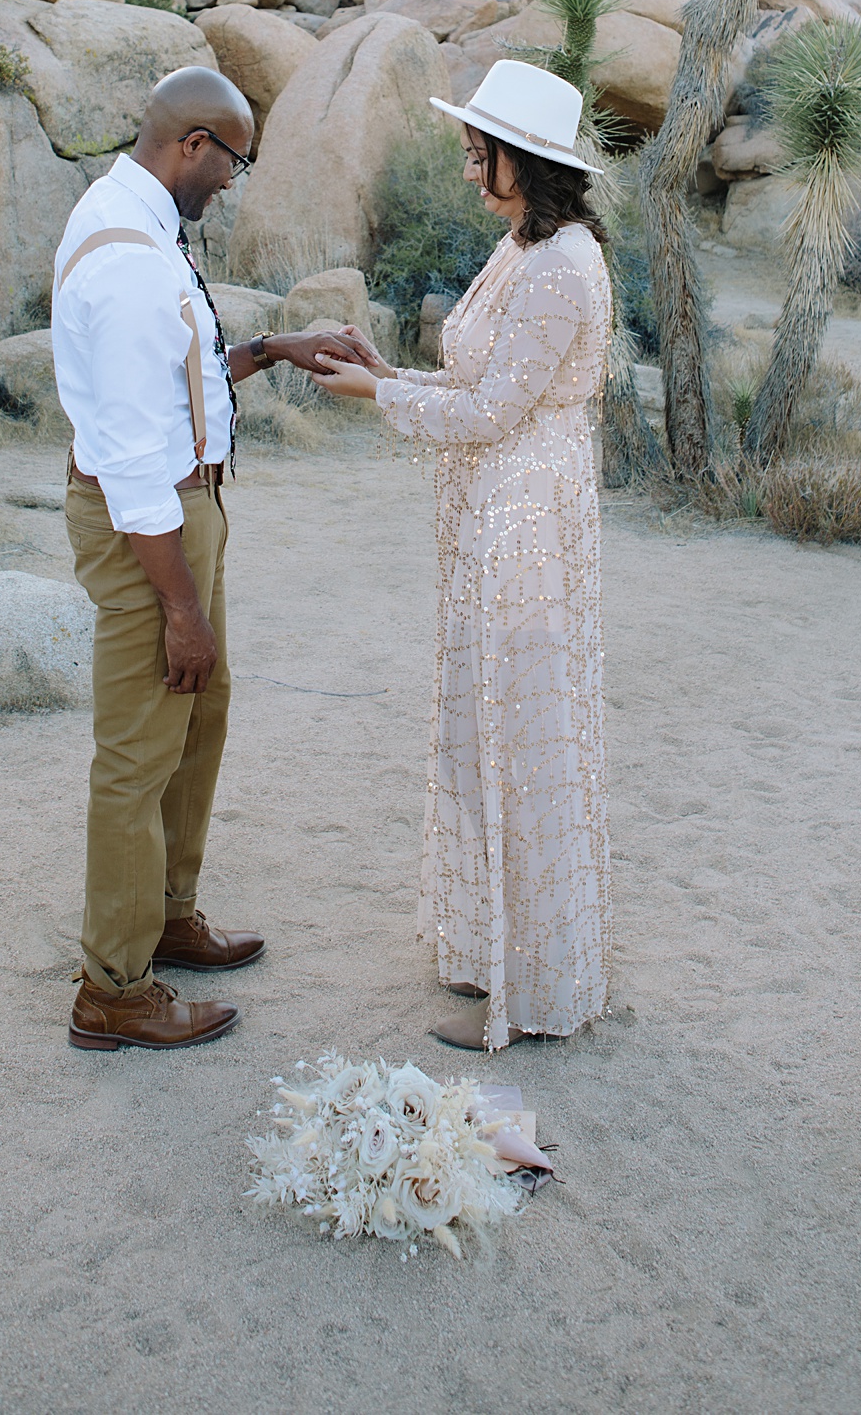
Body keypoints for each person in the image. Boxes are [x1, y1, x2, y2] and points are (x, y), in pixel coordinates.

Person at [52, 64, 372, 1054]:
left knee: (199, 718)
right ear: (192, 143)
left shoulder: (140, 225)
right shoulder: (128, 263)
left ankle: (168, 914)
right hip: (150, 525)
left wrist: (273, 349)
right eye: (233, 159)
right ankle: (112, 984)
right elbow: (132, 458)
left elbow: (170, 384)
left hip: (183, 512)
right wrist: (178, 607)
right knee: (139, 750)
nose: (235, 179)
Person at [312, 58, 614, 1053]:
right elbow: (472, 377)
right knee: (485, 727)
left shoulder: (562, 265)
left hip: (526, 516)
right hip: (497, 504)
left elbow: (491, 411)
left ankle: (528, 988)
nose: (466, 161)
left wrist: (374, 400)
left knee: (520, 739)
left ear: (518, 159)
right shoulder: (523, 249)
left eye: (477, 148)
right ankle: (495, 952)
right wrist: (386, 369)